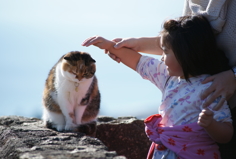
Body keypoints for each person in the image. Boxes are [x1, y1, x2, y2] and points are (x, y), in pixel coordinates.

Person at [82, 15, 233, 159]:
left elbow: (227, 134)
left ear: (185, 54)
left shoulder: (211, 88)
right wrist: (109, 45)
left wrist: (211, 125)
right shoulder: (168, 77)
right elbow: (137, 62)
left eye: (165, 51)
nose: (161, 57)